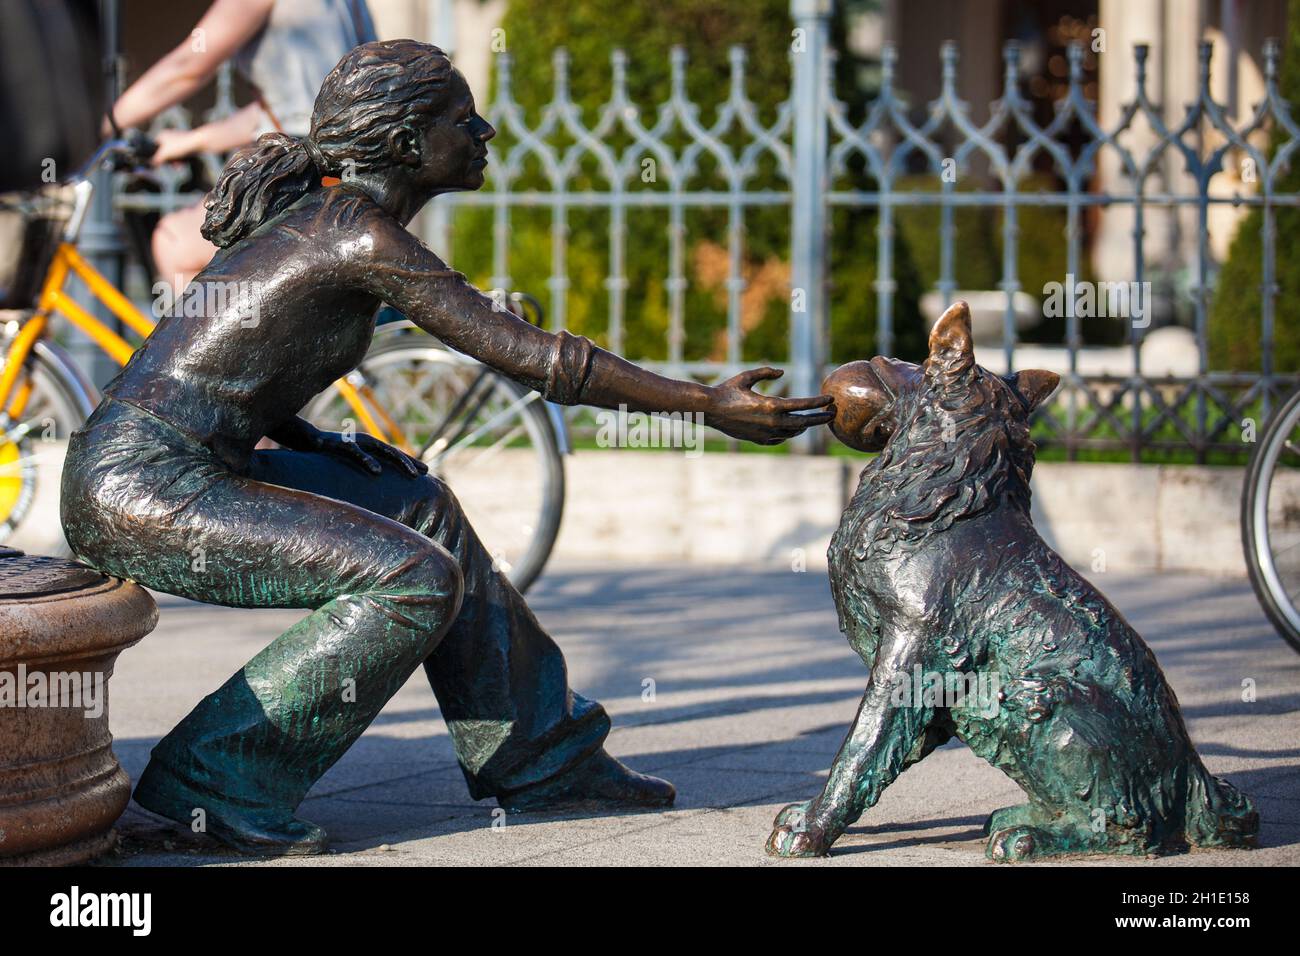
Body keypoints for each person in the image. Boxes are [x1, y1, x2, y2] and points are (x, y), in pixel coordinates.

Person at [61, 39, 835, 855]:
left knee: (421, 508)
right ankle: (210, 780)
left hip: (177, 465)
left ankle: (540, 761)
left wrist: (319, 440)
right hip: (137, 488)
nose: (485, 130)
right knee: (412, 577)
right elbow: (544, 363)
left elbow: (236, 370)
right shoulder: (355, 233)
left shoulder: (333, 221)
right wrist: (705, 404)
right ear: (405, 146)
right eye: (463, 120)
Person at [106, 0, 376, 290]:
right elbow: (286, 111)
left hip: (303, 172)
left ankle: (223, 336)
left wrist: (106, 123)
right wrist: (191, 141)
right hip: (356, 172)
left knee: (174, 242)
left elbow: (188, 67)